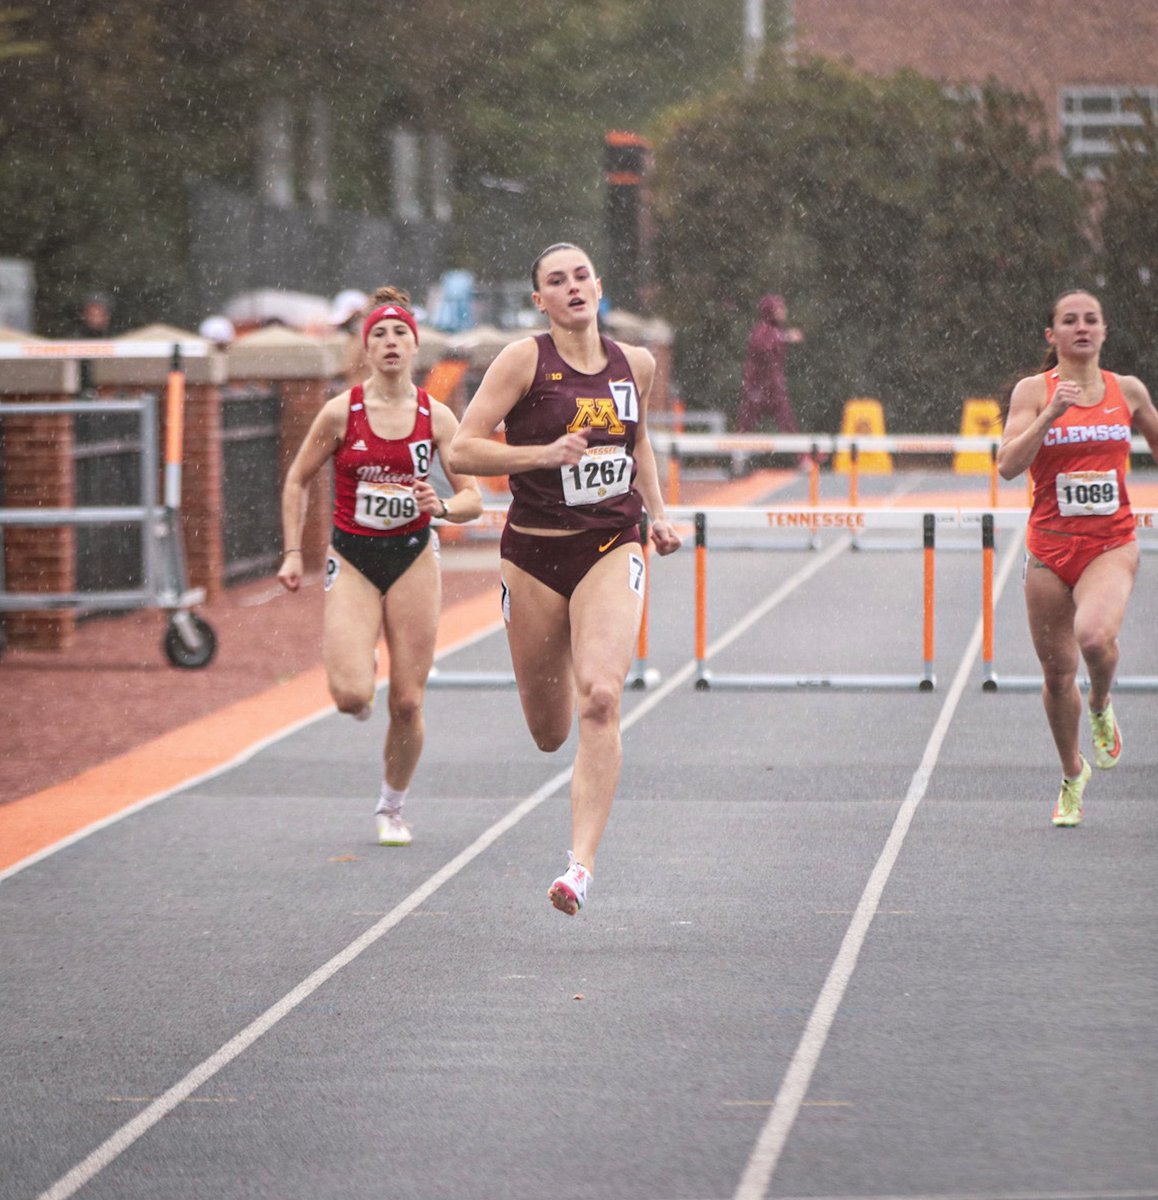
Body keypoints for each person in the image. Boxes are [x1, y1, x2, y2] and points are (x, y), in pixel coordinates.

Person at [447, 243, 681, 916]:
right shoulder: (524, 361)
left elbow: (635, 442)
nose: (572, 287)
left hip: (610, 545)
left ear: (598, 287)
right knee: (549, 732)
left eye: (581, 275)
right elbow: (463, 446)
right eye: (557, 280)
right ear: (539, 300)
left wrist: (658, 515)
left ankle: (579, 867)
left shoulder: (634, 364)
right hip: (534, 558)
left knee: (602, 697)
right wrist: (541, 454)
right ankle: (553, 648)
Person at [278, 287, 482, 845]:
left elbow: (474, 498)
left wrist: (439, 505)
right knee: (351, 697)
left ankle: (392, 807)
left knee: (408, 699)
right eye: (379, 335)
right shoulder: (341, 412)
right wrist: (294, 551)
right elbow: (297, 478)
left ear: (415, 345)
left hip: (414, 555)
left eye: (399, 333)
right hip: (355, 555)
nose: (390, 342)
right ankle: (358, 652)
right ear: (365, 350)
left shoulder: (435, 415)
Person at [997, 288, 1158, 827]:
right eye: (1070, 320)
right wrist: (1051, 416)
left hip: (1110, 544)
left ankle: (1102, 703)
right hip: (1047, 550)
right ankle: (1072, 774)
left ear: (1105, 331)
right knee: (1058, 675)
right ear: (1053, 335)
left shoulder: (1127, 390)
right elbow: (1007, 466)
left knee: (1093, 637)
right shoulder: (1033, 391)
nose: (1082, 327)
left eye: (1092, 319)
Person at [735, 293, 804, 436]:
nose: (784, 311)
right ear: (770, 311)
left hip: (772, 386)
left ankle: (803, 455)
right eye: (780, 308)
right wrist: (785, 337)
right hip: (758, 386)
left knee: (786, 421)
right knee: (746, 423)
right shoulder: (762, 330)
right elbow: (762, 345)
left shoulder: (774, 331)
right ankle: (734, 454)